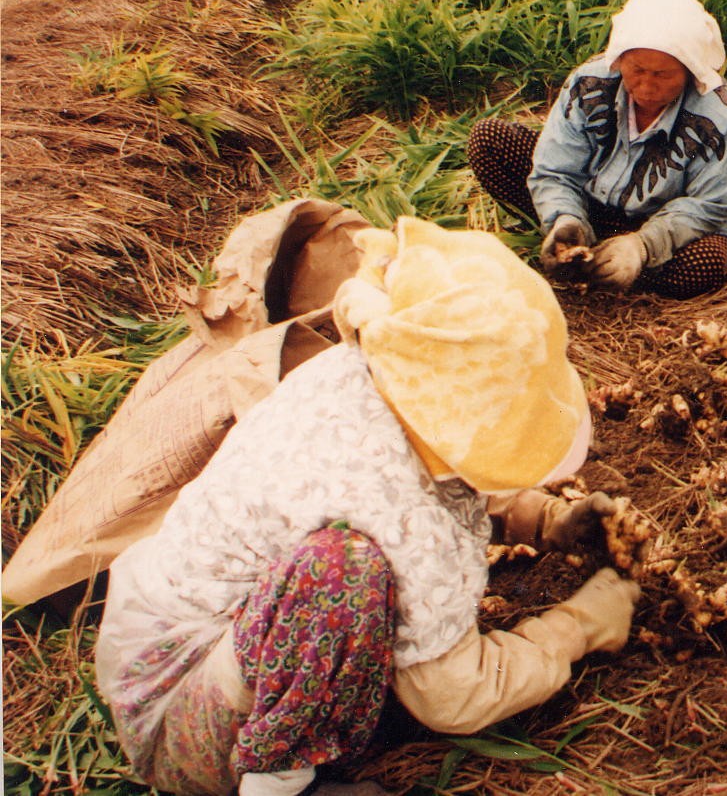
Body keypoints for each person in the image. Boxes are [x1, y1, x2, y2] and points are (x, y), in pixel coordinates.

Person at [95, 217, 642, 796]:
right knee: (340, 574)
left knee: (341, 570)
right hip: (186, 714)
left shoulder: (372, 374)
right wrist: (577, 628)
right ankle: (282, 783)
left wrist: (543, 518)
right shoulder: (396, 510)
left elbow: (444, 467)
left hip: (174, 646)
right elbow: (453, 696)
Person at [466, 0, 727, 299]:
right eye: (637, 70)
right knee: (490, 139)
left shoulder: (719, 114)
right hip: (591, 203)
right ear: (619, 60)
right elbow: (555, 169)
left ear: (690, 71)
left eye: (662, 75)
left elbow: (713, 205)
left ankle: (626, 271)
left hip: (662, 224)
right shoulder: (589, 84)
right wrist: (565, 218)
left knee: (706, 262)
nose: (646, 86)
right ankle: (575, 245)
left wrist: (643, 245)